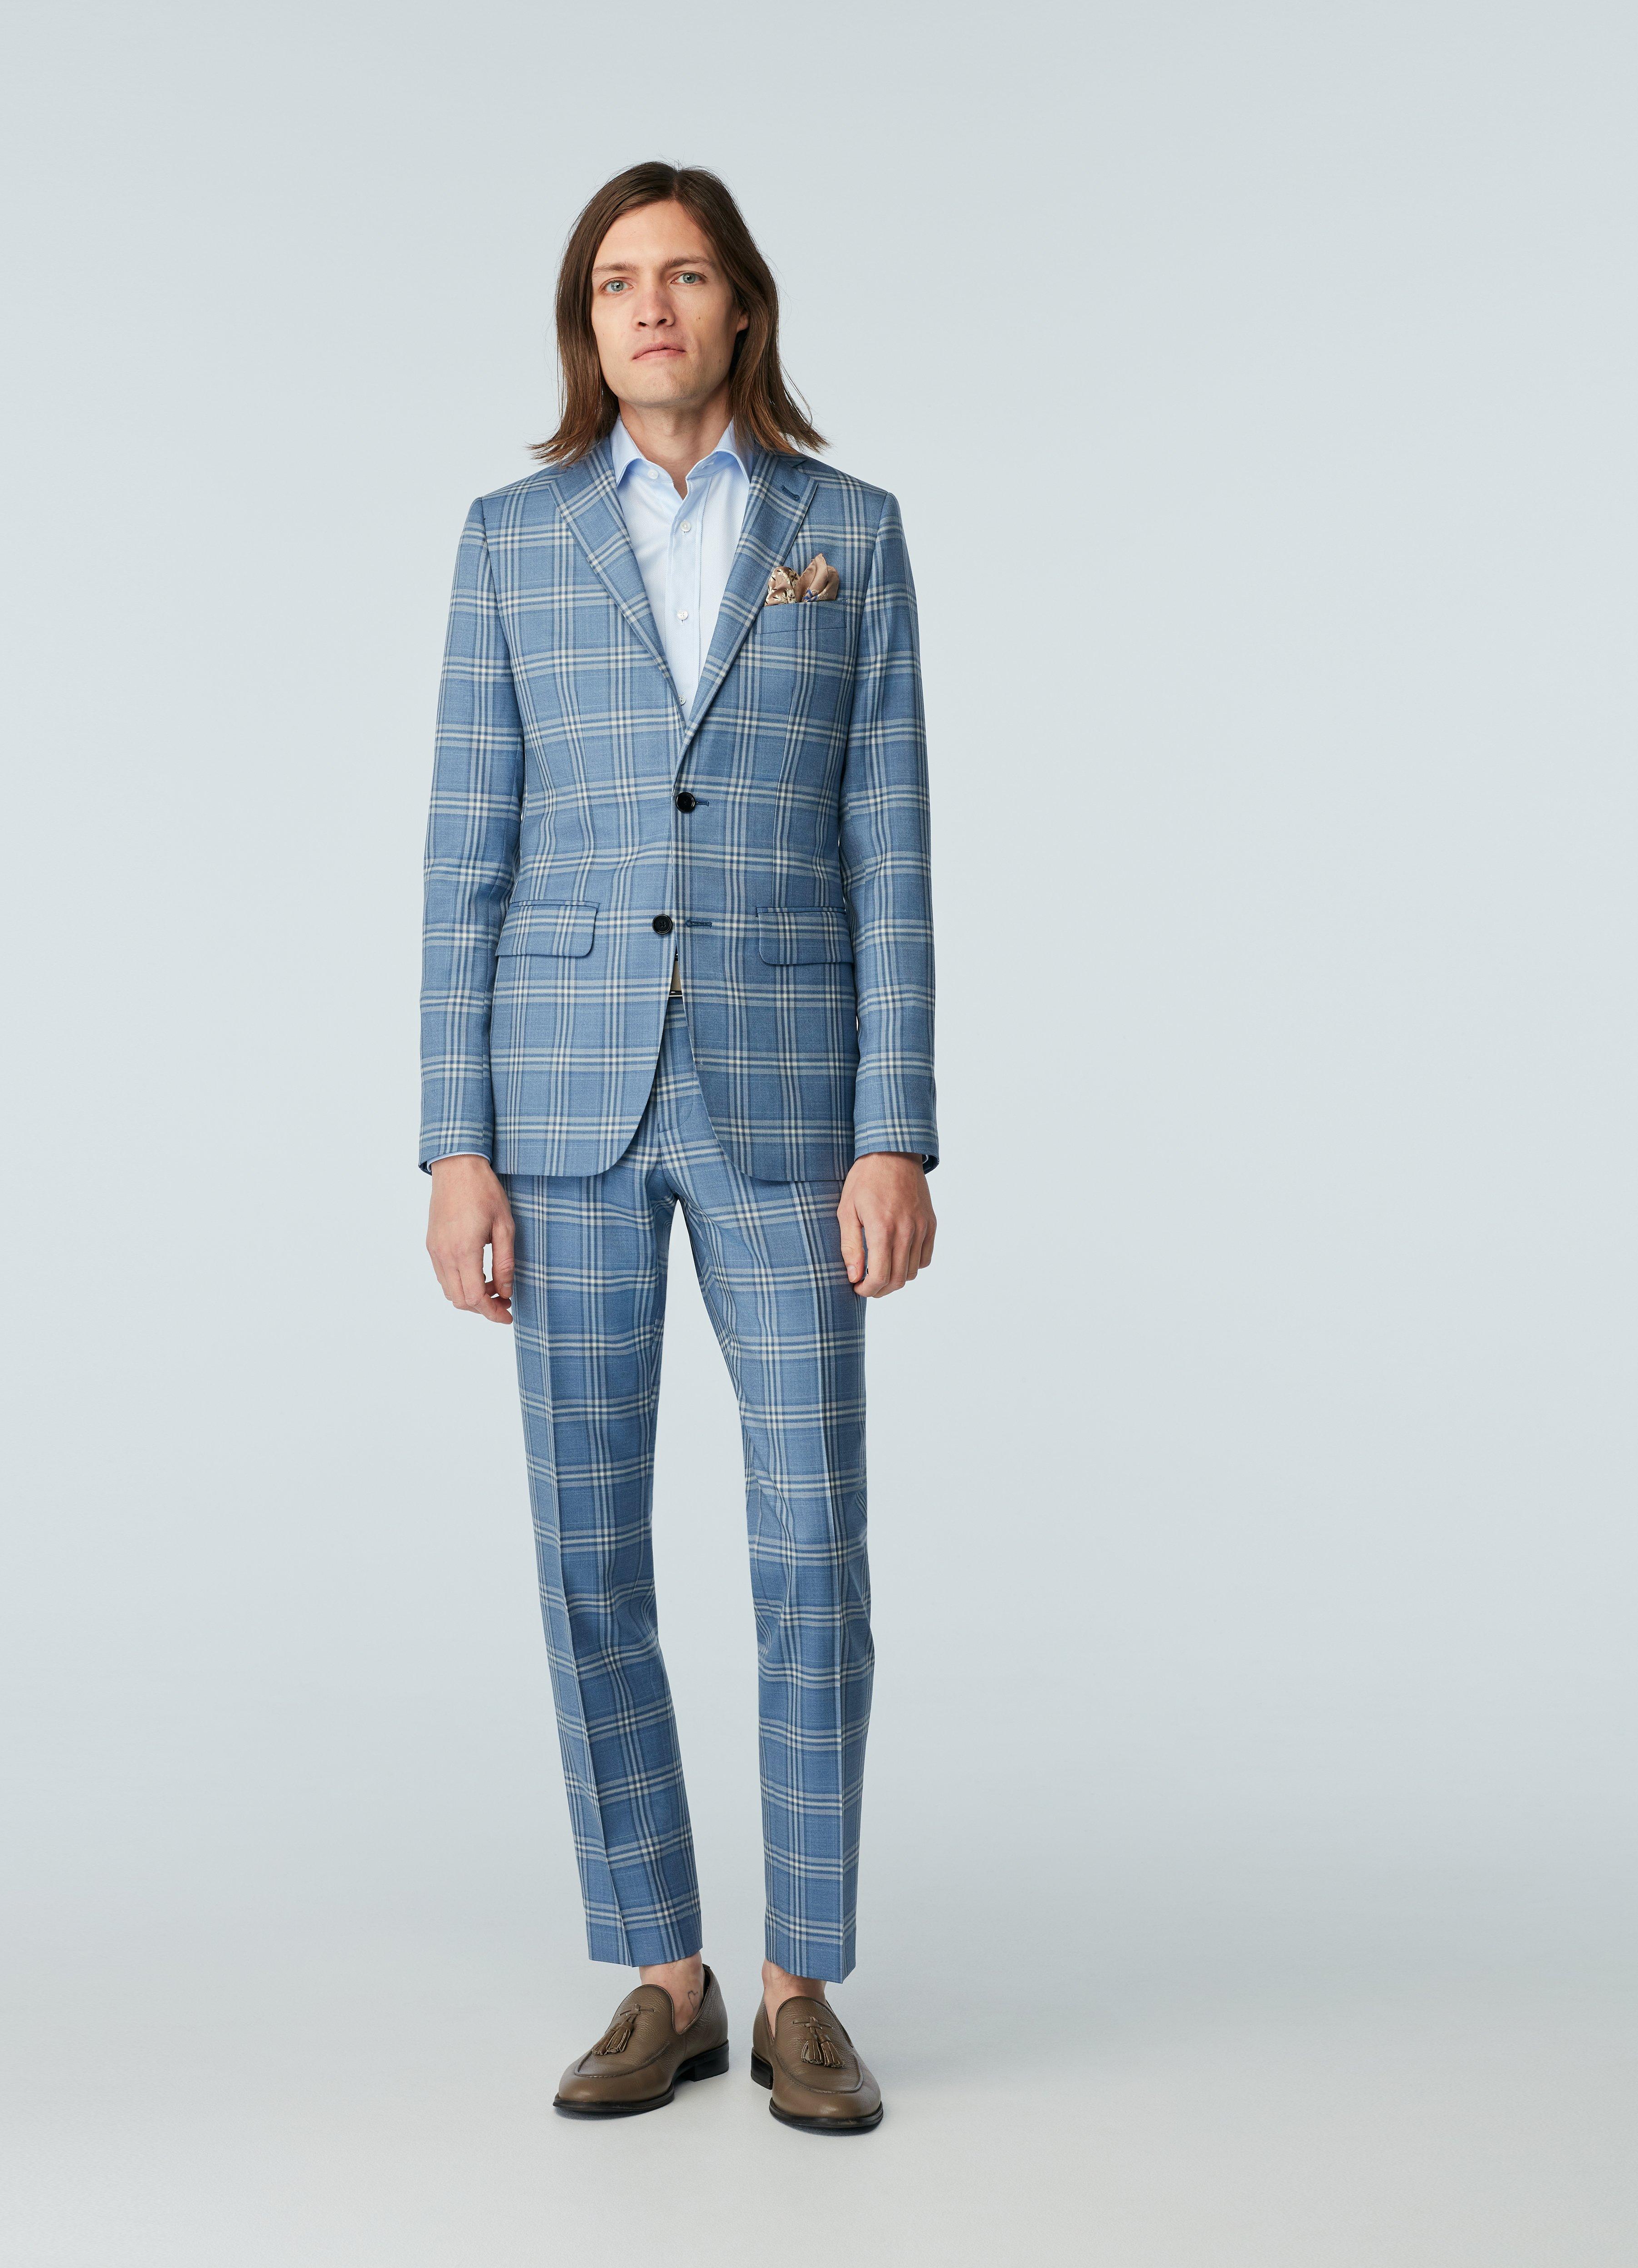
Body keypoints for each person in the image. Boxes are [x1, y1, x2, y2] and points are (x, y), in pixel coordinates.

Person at [418, 161, 937, 2135]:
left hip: (790, 1101)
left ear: (739, 309)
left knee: (813, 1537)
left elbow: (889, 843)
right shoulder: (510, 540)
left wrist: (895, 1128)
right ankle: (661, 1969)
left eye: (686, 273)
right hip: (559, 1097)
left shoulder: (846, 535)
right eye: (616, 281)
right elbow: (465, 852)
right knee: (588, 1546)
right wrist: (452, 1145)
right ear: (589, 324)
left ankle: (802, 1981)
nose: (650, 304)